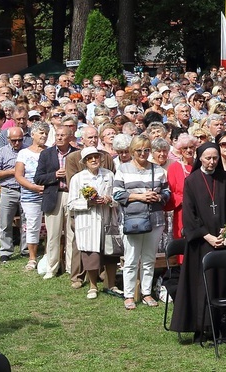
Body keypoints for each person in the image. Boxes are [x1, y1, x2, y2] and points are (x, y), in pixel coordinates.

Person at [170, 142, 226, 335]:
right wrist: (208, 236)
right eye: (208, 158)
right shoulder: (192, 181)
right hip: (202, 243)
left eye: (215, 158)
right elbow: (189, 215)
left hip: (223, 241)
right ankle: (203, 327)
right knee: (203, 284)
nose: (212, 162)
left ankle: (225, 326)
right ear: (200, 158)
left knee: (223, 282)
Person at [113, 134, 170, 310]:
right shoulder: (123, 169)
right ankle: (129, 294)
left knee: (149, 258)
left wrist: (159, 196)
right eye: (139, 150)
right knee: (131, 258)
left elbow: (167, 193)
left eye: (146, 150)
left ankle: (146, 292)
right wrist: (140, 196)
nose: (143, 154)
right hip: (133, 220)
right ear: (132, 151)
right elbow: (117, 194)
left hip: (155, 219)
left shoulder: (158, 170)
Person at [66, 147, 119, 300]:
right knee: (91, 254)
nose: (94, 160)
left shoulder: (109, 175)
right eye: (90, 158)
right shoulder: (78, 178)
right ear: (85, 162)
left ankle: (110, 283)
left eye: (96, 157)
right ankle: (93, 285)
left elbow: (117, 197)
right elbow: (71, 204)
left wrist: (109, 200)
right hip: (87, 220)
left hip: (107, 219)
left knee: (110, 253)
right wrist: (88, 203)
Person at [34, 124, 80, 282]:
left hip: (71, 196)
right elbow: (38, 178)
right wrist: (55, 174)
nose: (59, 138)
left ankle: (70, 267)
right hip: (54, 195)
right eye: (57, 135)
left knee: (71, 234)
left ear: (70, 137)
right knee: (53, 235)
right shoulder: (46, 154)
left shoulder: (77, 153)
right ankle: (52, 267)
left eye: (63, 135)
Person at [14, 122, 49, 270]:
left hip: (48, 194)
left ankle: (50, 256)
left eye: (46, 133)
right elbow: (19, 175)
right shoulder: (24, 153)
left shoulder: (50, 151)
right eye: (41, 132)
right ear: (33, 134)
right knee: (32, 225)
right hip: (30, 196)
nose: (44, 135)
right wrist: (33, 187)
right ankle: (32, 258)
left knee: (51, 226)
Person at [0, 127, 25, 262]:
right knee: (5, 222)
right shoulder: (1, 152)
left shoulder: (27, 151)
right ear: (8, 140)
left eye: (20, 140)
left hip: (25, 190)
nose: (17, 143)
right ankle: (5, 251)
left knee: (26, 223)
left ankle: (25, 249)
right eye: (14, 140)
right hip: (8, 190)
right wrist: (13, 171)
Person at [165, 133, 197, 240]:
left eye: (191, 147)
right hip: (182, 211)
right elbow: (170, 192)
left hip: (201, 210)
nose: (189, 150)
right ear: (180, 150)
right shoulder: (174, 167)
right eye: (185, 148)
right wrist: (184, 200)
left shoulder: (200, 165)